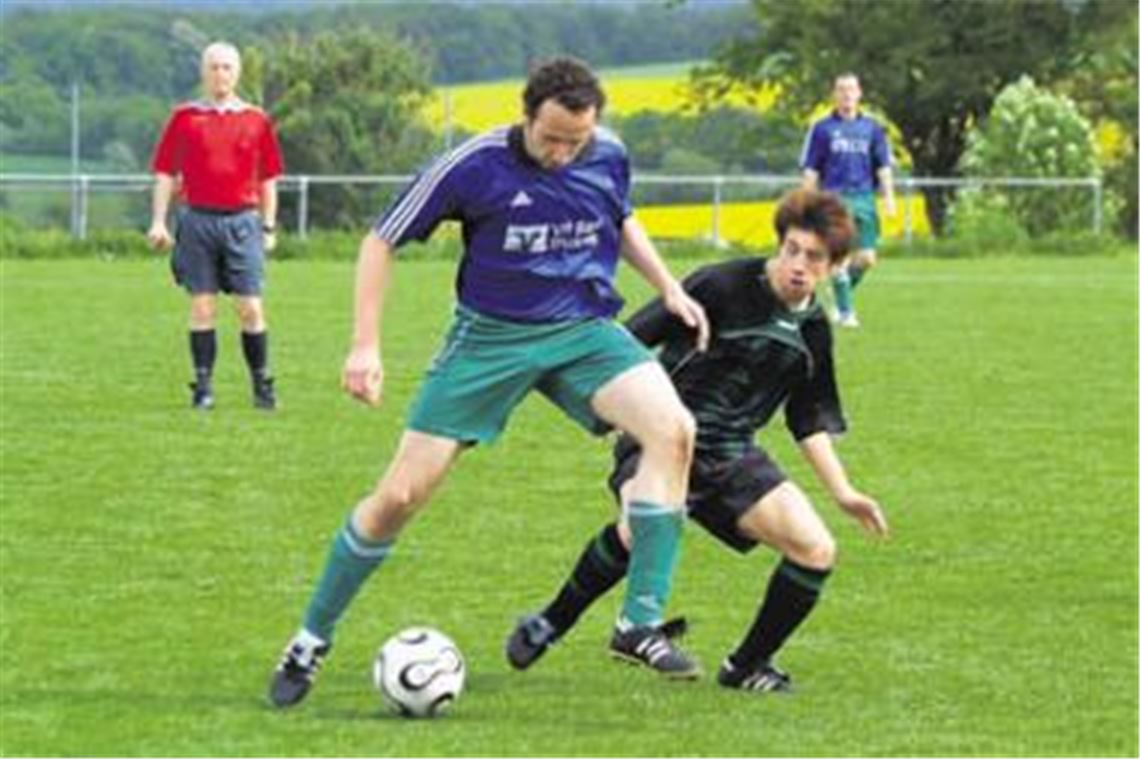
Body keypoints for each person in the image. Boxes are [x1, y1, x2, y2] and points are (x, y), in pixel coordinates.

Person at [268, 56, 711, 709]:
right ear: (525, 116)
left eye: (576, 141)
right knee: (398, 496)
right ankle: (309, 639)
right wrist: (365, 344)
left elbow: (620, 218)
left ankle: (636, 622)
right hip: (489, 342)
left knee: (674, 429)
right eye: (551, 138)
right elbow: (379, 240)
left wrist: (669, 286)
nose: (563, 153)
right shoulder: (472, 164)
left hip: (583, 329)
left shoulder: (607, 154)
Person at [505, 188, 890, 694]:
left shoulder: (814, 330)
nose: (798, 265)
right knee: (640, 530)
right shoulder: (722, 284)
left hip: (732, 455)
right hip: (659, 435)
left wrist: (844, 492)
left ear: (835, 265)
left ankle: (747, 666)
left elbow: (808, 417)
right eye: (791, 249)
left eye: (814, 257)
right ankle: (551, 622)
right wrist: (614, 405)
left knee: (815, 549)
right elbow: (627, 338)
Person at [147, 41, 283, 410]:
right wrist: (159, 221)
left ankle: (262, 386)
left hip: (243, 223)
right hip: (197, 222)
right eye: (213, 67)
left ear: (237, 73)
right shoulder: (184, 118)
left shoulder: (256, 120)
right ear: (202, 73)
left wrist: (268, 227)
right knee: (203, 307)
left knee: (250, 308)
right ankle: (203, 387)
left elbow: (269, 179)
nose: (220, 74)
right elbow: (164, 172)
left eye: (226, 67)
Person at [800, 73, 896, 328]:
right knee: (839, 258)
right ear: (834, 94)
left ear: (859, 93)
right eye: (841, 90)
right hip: (834, 198)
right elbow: (811, 170)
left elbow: (884, 167)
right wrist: (806, 202)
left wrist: (889, 198)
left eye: (851, 89)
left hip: (864, 198)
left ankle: (841, 291)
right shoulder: (822, 129)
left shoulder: (872, 129)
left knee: (867, 258)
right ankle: (846, 313)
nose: (846, 95)